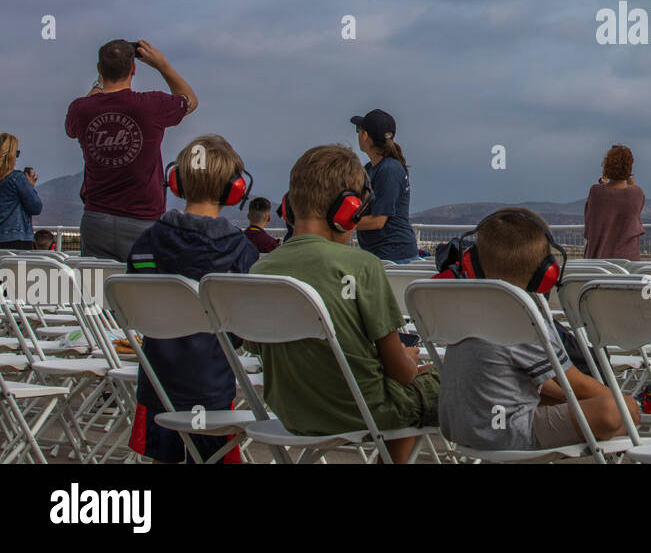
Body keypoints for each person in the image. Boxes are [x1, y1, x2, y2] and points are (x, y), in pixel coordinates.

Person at [248, 144, 439, 464]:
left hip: (291, 413)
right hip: (363, 411)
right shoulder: (363, 267)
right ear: (350, 210)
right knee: (451, 380)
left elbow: (257, 349)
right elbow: (401, 374)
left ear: (289, 206)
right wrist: (409, 358)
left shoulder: (261, 271)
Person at [439, 207, 640, 451]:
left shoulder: (464, 309)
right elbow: (580, 385)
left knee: (550, 393)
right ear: (546, 274)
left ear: (471, 264)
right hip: (506, 433)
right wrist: (623, 403)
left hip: (459, 428)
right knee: (616, 410)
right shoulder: (524, 318)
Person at [126, 135, 259, 464]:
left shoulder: (146, 243)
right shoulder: (242, 252)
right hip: (212, 387)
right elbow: (245, 328)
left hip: (157, 384)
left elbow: (132, 310)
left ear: (176, 181)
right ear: (235, 189)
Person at [65, 39, 198, 261]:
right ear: (134, 68)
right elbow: (190, 101)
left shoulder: (80, 110)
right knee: (141, 291)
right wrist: (163, 65)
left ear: (99, 68)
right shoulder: (151, 105)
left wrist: (99, 84)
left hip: (96, 218)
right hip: (143, 220)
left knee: (97, 291)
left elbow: (71, 126)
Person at [350, 109, 419, 263]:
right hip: (382, 255)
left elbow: (378, 221)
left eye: (358, 131)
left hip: (394, 257)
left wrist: (341, 225)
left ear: (365, 136)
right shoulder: (371, 168)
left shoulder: (389, 169)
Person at [583, 145, 645, 261]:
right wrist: (629, 175)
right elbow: (636, 201)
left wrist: (604, 178)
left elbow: (590, 216)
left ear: (606, 166)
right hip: (627, 265)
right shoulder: (636, 193)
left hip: (597, 263)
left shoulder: (595, 191)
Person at [0, 134, 42, 250]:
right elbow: (35, 207)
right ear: (11, 156)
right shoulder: (16, 178)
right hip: (15, 239)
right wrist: (30, 187)